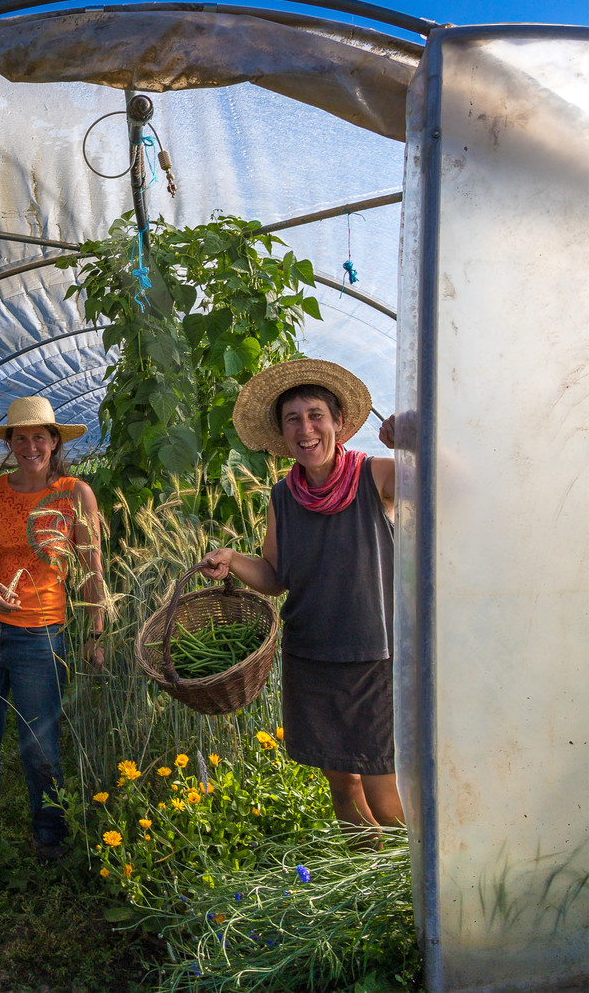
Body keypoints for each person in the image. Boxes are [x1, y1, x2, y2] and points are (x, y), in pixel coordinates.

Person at [199, 358, 403, 837]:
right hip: (311, 656)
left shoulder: (376, 475)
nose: (305, 429)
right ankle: (366, 870)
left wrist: (412, 442)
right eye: (293, 419)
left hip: (373, 656)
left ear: (338, 423)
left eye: (316, 416)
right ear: (282, 432)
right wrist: (233, 558)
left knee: (383, 787)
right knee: (342, 783)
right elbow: (275, 578)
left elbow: (445, 481)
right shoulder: (282, 496)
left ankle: (407, 873)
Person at [0, 395, 107, 862]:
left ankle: (50, 834)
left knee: (40, 745)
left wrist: (96, 632)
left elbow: (92, 569)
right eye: (21, 438)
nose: (30, 446)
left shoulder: (75, 493)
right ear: (10, 444)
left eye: (39, 437)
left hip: (41, 634)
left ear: (55, 441)